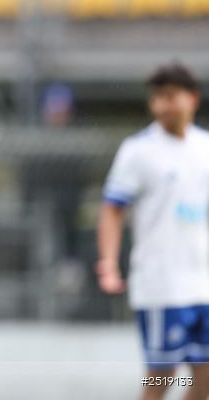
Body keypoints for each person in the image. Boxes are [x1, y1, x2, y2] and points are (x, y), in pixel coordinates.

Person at [96, 63, 209, 400]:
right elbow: (112, 209)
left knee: (204, 379)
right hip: (162, 285)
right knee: (163, 376)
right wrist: (108, 262)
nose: (162, 106)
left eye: (170, 97)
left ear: (192, 99)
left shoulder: (204, 147)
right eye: (157, 98)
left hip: (203, 284)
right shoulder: (139, 150)